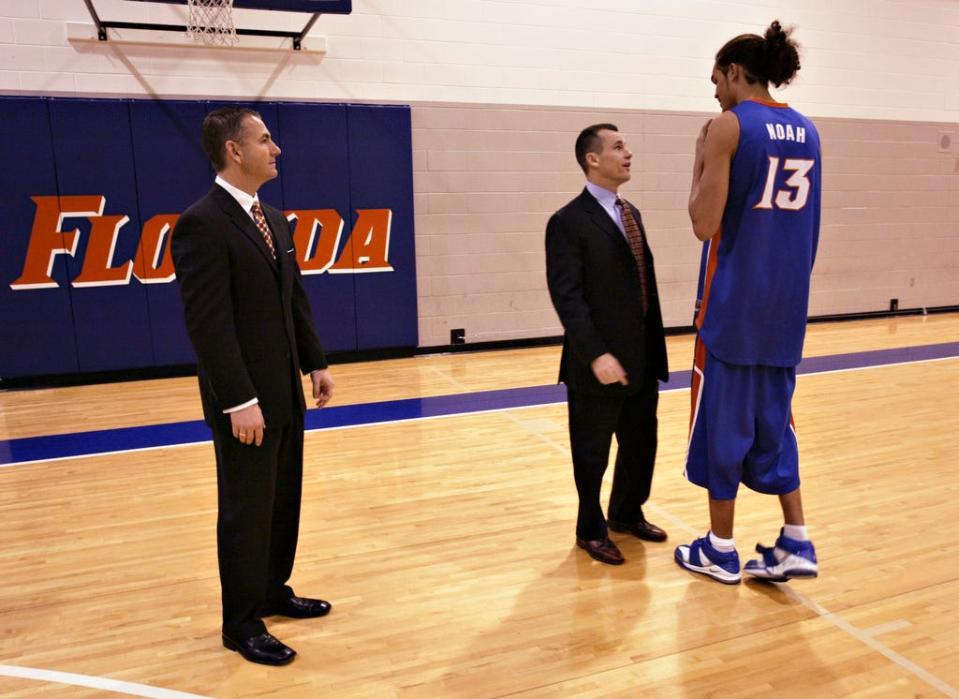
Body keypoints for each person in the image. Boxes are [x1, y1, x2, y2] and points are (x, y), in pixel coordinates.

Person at [171, 107, 335, 665]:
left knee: (282, 498)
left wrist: (315, 362)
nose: (277, 149)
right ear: (235, 151)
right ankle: (240, 623)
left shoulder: (274, 218)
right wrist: (240, 400)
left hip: (284, 390)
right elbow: (209, 325)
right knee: (246, 508)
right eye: (265, 140)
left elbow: (294, 298)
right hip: (244, 400)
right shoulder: (202, 223)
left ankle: (271, 590)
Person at [676, 21, 822, 584]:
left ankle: (719, 547)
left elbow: (703, 223)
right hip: (787, 305)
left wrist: (699, 158)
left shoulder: (729, 126)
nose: (714, 91)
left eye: (716, 79)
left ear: (736, 73)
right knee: (776, 424)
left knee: (722, 426)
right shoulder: (808, 130)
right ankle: (797, 541)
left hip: (735, 303)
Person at [545, 123, 670, 566]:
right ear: (592, 159)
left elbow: (642, 287)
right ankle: (590, 528)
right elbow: (567, 297)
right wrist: (596, 353)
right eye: (618, 147)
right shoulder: (567, 222)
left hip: (640, 357)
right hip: (595, 362)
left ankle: (625, 512)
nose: (628, 153)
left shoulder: (631, 212)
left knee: (641, 445)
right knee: (592, 452)